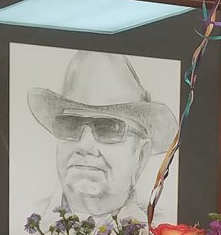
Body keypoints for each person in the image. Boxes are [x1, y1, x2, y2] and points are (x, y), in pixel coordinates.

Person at [28, 50, 176, 225]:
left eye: (109, 128)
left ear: (141, 156)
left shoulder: (160, 229)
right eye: (70, 125)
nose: (85, 146)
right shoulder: (28, 217)